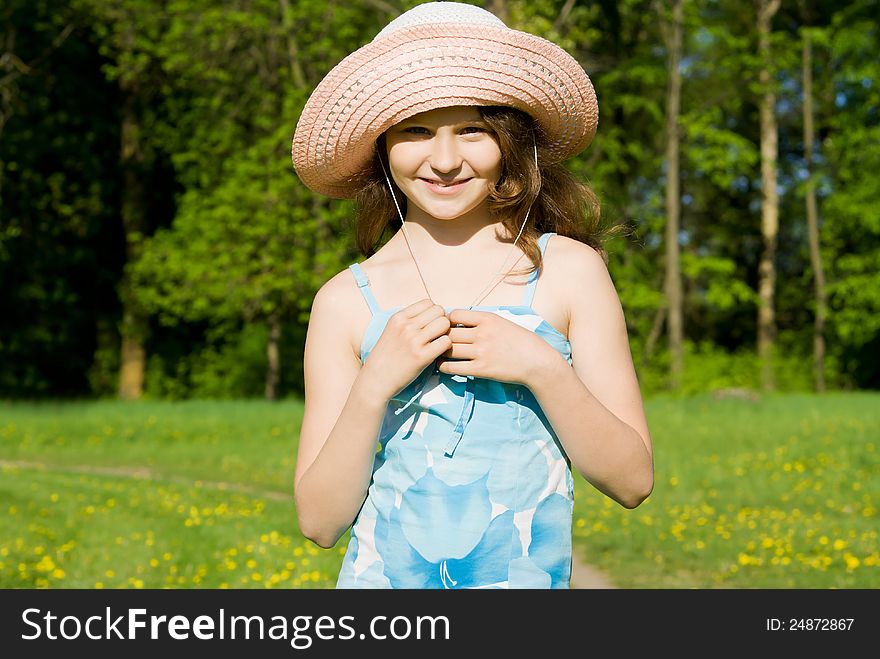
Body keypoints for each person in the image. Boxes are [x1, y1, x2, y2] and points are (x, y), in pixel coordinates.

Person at [291, 1, 653, 589]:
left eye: (472, 130)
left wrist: (543, 370)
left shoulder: (570, 272)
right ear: (381, 145)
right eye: (415, 131)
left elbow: (633, 481)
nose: (444, 160)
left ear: (509, 143)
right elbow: (319, 521)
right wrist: (374, 383)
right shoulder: (344, 302)